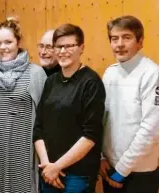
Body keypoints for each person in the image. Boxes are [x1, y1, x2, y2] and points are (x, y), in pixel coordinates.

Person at [0, 17, 47, 193]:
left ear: (19, 42)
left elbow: (44, 120)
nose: (3, 47)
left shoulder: (36, 73)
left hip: (23, 153)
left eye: (8, 42)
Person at [33, 23, 106, 192]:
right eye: (58, 46)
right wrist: (47, 166)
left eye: (69, 46)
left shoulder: (91, 82)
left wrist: (57, 167)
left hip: (77, 175)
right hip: (48, 170)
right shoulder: (51, 81)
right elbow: (38, 128)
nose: (62, 51)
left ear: (81, 48)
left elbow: (90, 135)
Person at [101, 15, 159, 193]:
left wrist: (122, 169)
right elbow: (102, 119)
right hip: (110, 168)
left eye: (126, 37)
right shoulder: (110, 73)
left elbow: (151, 129)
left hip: (140, 172)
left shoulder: (152, 73)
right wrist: (101, 157)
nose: (119, 44)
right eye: (114, 38)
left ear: (140, 41)